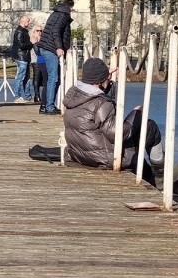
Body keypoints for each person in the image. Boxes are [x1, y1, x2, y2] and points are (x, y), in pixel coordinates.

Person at [62, 57, 165, 185]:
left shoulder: (74, 96)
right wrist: (136, 113)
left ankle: (151, 174)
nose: (109, 79)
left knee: (141, 162)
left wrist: (105, 79)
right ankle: (160, 173)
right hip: (103, 159)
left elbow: (94, 101)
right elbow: (116, 134)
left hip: (78, 156)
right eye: (107, 78)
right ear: (100, 80)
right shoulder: (102, 103)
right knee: (149, 127)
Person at [37, 0, 74, 114]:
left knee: (53, 79)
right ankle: (49, 107)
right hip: (51, 48)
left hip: (45, 47)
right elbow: (56, 31)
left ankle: (46, 105)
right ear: (70, 7)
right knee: (53, 78)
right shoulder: (63, 15)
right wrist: (58, 47)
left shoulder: (55, 13)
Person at [10, 15, 34, 102]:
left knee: (27, 77)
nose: (29, 22)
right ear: (23, 21)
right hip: (21, 56)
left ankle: (28, 96)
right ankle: (17, 96)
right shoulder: (19, 31)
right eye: (28, 21)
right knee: (20, 76)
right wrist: (32, 43)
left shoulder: (24, 31)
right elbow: (21, 45)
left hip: (25, 56)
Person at [30, 25, 46, 112]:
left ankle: (40, 95)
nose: (39, 32)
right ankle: (37, 95)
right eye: (37, 30)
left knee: (42, 78)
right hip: (35, 59)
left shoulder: (42, 39)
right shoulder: (33, 39)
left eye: (41, 31)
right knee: (36, 76)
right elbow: (37, 51)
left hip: (42, 60)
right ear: (34, 31)